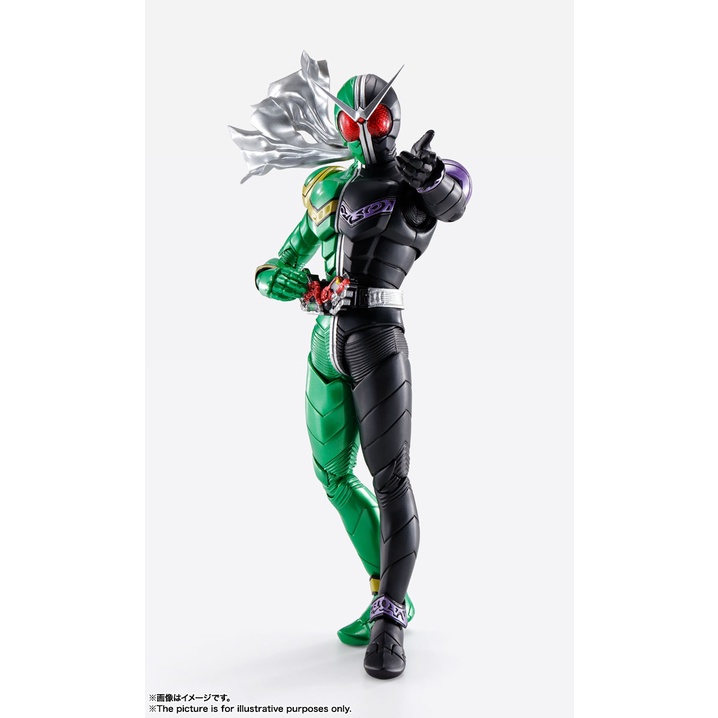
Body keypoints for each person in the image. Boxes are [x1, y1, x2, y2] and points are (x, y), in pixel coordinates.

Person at [230, 53, 471, 679]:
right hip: (325, 340)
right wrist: (286, 282)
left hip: (376, 336)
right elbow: (275, 265)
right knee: (333, 476)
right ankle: (384, 592)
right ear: (342, 125)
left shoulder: (415, 185)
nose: (366, 129)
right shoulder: (328, 189)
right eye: (354, 121)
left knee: (391, 479)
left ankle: (390, 622)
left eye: (378, 118)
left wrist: (432, 176)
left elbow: (455, 198)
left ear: (394, 120)